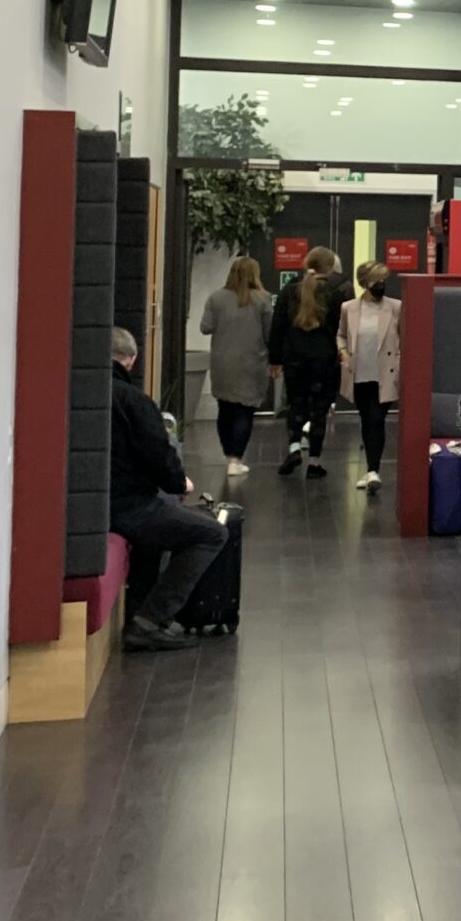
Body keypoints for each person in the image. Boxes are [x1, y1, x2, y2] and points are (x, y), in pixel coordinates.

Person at [107, 327, 224, 653]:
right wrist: (178, 483)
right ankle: (150, 621)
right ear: (130, 361)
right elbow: (160, 456)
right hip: (127, 505)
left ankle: (139, 610)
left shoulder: (75, 392)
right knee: (211, 533)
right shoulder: (132, 401)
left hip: (95, 507)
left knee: (161, 522)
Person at [267, 247, 342, 478]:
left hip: (294, 358)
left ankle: (294, 448)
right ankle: (314, 462)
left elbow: (277, 327)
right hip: (324, 359)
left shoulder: (288, 291)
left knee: (295, 404)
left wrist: (275, 359)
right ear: (330, 268)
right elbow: (340, 329)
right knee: (319, 410)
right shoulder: (335, 294)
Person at [198, 255, 272, 477]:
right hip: (252, 362)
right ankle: (236, 459)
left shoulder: (216, 298)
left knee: (225, 409)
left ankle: (228, 453)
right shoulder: (263, 299)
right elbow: (269, 333)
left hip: (222, 362)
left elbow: (205, 327)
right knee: (244, 411)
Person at [339, 261, 403, 492]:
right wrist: (343, 352)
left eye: (384, 280)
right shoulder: (349, 308)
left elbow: (404, 336)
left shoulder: (396, 307)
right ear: (365, 282)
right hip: (359, 373)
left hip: (385, 373)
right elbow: (342, 335)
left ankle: (373, 470)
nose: (381, 285)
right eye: (377, 280)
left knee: (377, 418)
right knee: (367, 419)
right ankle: (370, 469)